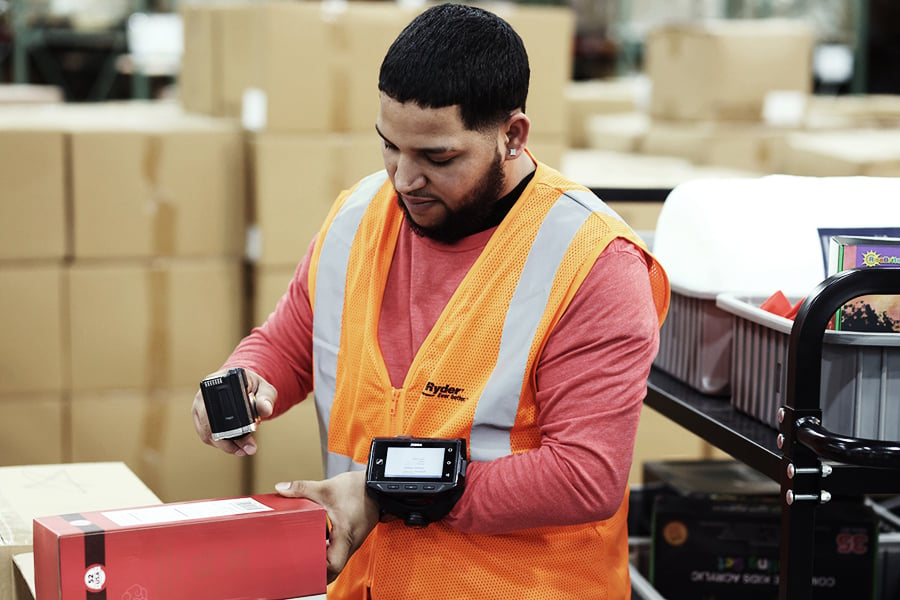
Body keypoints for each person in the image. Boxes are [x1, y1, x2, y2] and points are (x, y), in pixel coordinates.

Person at [192, 3, 669, 598]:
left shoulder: (592, 264)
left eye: (437, 158)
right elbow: (289, 344)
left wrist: (380, 493)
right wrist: (246, 379)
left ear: (512, 136)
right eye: (390, 146)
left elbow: (583, 476)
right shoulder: (358, 219)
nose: (403, 179)